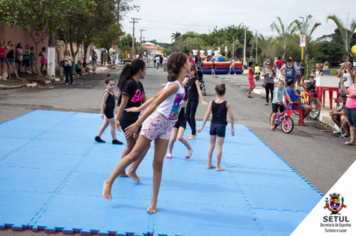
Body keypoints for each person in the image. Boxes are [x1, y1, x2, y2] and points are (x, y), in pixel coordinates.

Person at [102, 52, 190, 214]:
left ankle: (153, 201)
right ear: (183, 65)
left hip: (167, 126)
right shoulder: (175, 86)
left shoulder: (178, 84)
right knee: (134, 154)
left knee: (158, 164)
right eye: (188, 61)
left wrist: (139, 107)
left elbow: (155, 96)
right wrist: (137, 122)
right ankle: (109, 181)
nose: (190, 63)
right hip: (155, 122)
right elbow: (157, 101)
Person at [115, 59, 150, 181]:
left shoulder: (139, 85)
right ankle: (125, 170)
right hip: (127, 119)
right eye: (145, 69)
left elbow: (145, 102)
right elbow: (123, 103)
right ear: (140, 70)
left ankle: (128, 170)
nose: (146, 72)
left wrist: (144, 114)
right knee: (132, 146)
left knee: (143, 145)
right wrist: (117, 119)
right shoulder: (129, 84)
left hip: (136, 120)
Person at [197, 83, 235, 171]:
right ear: (225, 93)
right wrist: (232, 128)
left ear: (215, 92)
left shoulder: (212, 102)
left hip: (213, 125)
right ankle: (218, 166)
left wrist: (202, 126)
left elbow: (207, 115)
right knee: (219, 147)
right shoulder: (227, 103)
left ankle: (209, 163)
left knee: (211, 145)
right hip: (221, 126)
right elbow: (231, 117)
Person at [166, 83, 193, 159]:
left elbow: (176, 111)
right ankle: (169, 152)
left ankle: (190, 149)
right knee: (173, 138)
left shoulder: (182, 101)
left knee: (180, 137)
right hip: (175, 121)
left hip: (182, 120)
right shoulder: (173, 100)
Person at [95, 75, 123, 145]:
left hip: (110, 110)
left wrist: (119, 90)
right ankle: (114, 139)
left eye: (113, 85)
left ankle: (98, 137)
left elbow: (117, 98)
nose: (112, 86)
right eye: (110, 85)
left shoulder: (112, 92)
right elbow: (103, 103)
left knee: (105, 124)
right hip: (108, 111)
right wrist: (101, 113)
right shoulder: (106, 93)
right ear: (106, 85)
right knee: (113, 125)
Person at [184, 66, 208, 140]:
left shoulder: (196, 80)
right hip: (189, 100)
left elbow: (199, 91)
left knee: (192, 116)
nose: (189, 73)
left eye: (190, 71)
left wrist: (202, 100)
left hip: (194, 100)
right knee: (187, 116)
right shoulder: (188, 79)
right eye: (188, 71)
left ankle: (193, 134)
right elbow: (183, 85)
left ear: (194, 71)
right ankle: (193, 131)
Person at [341, 76, 356, 145]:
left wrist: (348, 95)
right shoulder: (353, 85)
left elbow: (354, 94)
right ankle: (352, 141)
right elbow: (346, 92)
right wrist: (342, 84)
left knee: (355, 124)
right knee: (351, 124)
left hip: (354, 107)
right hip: (348, 106)